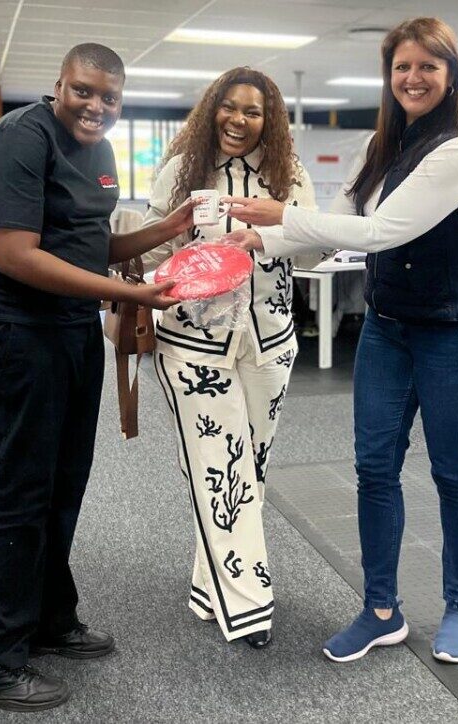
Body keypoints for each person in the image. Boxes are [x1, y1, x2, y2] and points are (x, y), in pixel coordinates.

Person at [223, 17, 458, 665]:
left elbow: (381, 232)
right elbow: (343, 222)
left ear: (451, 73)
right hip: (388, 329)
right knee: (375, 468)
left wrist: (278, 215)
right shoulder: (384, 145)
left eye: (428, 66)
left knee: (452, 470)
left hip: (456, 333)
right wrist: (258, 240)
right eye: (402, 67)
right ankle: (381, 610)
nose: (413, 78)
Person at [0, 44, 196, 711]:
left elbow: (92, 244)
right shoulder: (21, 139)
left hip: (68, 330)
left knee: (64, 482)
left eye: (110, 98)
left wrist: (164, 229)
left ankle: (48, 619)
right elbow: (16, 256)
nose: (96, 107)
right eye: (84, 92)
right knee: (20, 490)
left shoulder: (102, 154)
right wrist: (132, 298)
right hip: (15, 328)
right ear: (58, 84)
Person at [141, 67, 320, 650]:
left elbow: (315, 253)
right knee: (221, 468)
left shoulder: (288, 174)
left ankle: (207, 585)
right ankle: (250, 605)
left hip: (270, 339)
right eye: (229, 107)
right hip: (193, 343)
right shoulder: (180, 172)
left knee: (251, 469)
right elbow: (154, 253)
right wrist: (197, 255)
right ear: (211, 108)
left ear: (270, 119)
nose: (239, 120)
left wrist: (271, 232)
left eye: (253, 111)